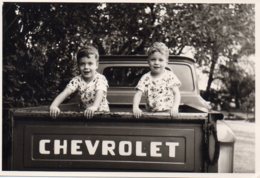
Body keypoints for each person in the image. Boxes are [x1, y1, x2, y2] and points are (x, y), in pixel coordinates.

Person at [50, 45, 109, 119]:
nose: (86, 67)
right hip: (85, 115)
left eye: (90, 63)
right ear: (78, 66)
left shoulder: (100, 78)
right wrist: (54, 105)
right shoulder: (77, 80)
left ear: (96, 65)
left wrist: (94, 107)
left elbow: (100, 93)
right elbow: (65, 93)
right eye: (82, 64)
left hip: (102, 115)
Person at [133, 42, 181, 118]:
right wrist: (135, 107)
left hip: (168, 114)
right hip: (150, 114)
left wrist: (175, 108)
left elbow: (177, 93)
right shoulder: (146, 78)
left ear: (166, 62)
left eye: (161, 60)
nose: (156, 63)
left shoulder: (170, 76)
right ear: (148, 61)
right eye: (153, 59)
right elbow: (138, 94)